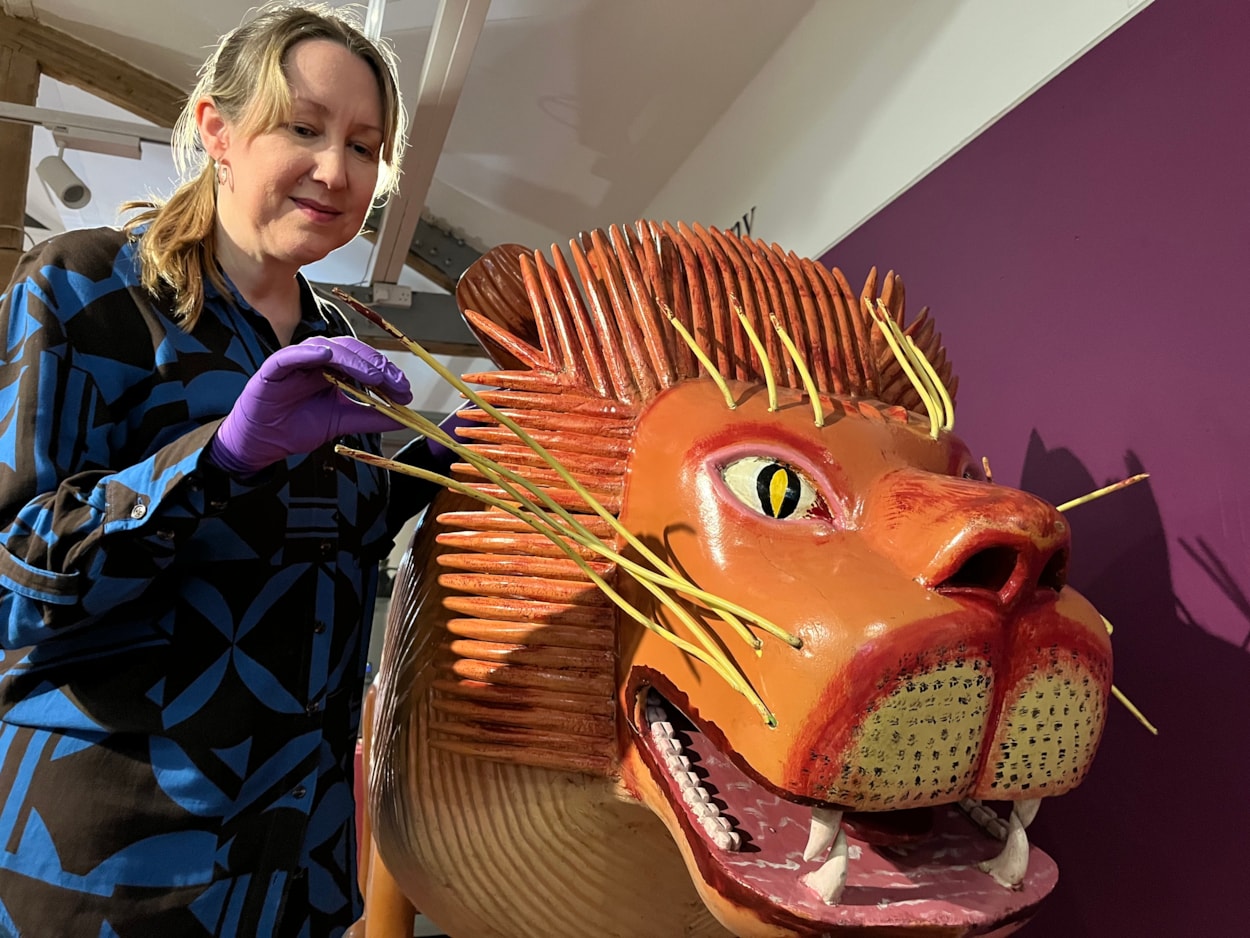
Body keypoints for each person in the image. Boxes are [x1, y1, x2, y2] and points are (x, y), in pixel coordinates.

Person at [0, 4, 450, 935]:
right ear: (217, 130)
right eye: (304, 127)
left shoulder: (339, 342)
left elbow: (324, 547)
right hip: (118, 864)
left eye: (365, 147)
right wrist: (215, 458)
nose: (337, 170)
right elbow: (14, 579)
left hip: (297, 865)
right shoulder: (83, 288)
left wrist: (434, 465)